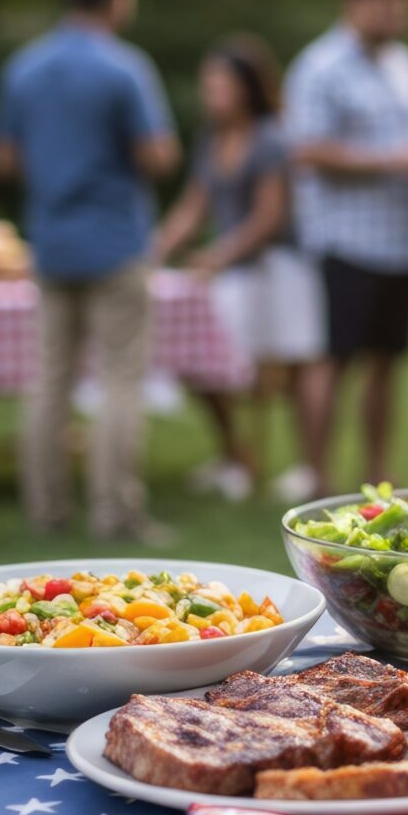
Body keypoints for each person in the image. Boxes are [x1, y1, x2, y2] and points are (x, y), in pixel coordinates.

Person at [0, 0, 180, 541]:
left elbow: (4, 160)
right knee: (120, 380)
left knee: (49, 381)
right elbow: (157, 154)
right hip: (114, 242)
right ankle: (115, 512)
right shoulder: (124, 68)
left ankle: (46, 511)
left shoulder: (24, 68)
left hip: (51, 242)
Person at [283, 0, 408, 490]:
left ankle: (376, 472)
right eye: (382, 3)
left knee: (387, 362)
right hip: (344, 239)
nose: (392, 14)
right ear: (354, 3)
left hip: (405, 241)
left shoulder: (406, 65)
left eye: (400, 5)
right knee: (332, 359)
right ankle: (316, 476)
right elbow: (308, 150)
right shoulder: (320, 67)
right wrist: (394, 160)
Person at [153, 36, 325, 502]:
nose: (210, 91)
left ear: (246, 88)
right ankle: (235, 456)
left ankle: (311, 469)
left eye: (219, 82)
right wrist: (155, 247)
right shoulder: (211, 138)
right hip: (235, 274)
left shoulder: (272, 138)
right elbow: (194, 204)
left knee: (294, 367)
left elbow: (269, 217)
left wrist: (217, 256)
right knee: (204, 361)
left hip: (280, 269)